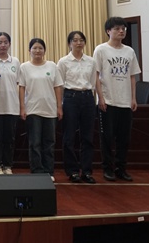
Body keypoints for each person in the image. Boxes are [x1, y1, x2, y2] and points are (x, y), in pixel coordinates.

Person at [94, 17, 141, 182]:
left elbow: (132, 76)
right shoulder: (101, 50)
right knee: (107, 137)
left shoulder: (129, 51)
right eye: (117, 28)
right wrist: (100, 97)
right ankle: (108, 169)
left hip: (125, 101)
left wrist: (133, 98)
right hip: (108, 100)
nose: (121, 31)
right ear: (108, 31)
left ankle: (121, 168)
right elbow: (96, 75)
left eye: (123, 28)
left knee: (124, 138)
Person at [18, 38, 63, 179]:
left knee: (49, 143)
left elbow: (57, 87)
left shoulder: (52, 66)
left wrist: (59, 106)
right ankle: (37, 171)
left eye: (40, 48)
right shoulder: (24, 67)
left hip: (50, 110)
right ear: (29, 50)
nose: (37, 51)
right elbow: (21, 88)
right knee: (35, 143)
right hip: (32, 110)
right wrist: (22, 107)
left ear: (44, 51)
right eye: (35, 48)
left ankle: (49, 171)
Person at [58, 31, 97, 184]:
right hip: (70, 98)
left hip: (87, 97)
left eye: (81, 40)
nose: (78, 43)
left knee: (87, 137)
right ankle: (72, 171)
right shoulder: (63, 62)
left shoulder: (91, 61)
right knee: (69, 137)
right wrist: (60, 104)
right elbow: (60, 84)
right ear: (69, 43)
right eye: (75, 40)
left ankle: (86, 171)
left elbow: (93, 82)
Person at [0, 32, 20, 175]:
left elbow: (19, 83)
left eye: (5, 42)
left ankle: (7, 165)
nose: (3, 45)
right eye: (0, 42)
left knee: (9, 138)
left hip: (12, 106)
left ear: (9, 44)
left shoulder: (15, 62)